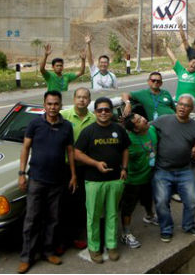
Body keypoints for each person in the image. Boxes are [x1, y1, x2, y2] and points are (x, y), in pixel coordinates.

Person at [17, 91, 77, 274]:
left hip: (58, 180)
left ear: (60, 105)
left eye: (56, 104)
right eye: (49, 104)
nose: (52, 107)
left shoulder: (66, 126)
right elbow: (25, 148)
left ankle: (48, 251)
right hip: (36, 179)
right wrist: (21, 173)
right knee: (31, 220)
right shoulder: (35, 124)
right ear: (44, 104)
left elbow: (70, 152)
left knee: (53, 219)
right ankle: (27, 257)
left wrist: (73, 175)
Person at [151, 95, 195, 242]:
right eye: (180, 104)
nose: (182, 107)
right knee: (161, 202)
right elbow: (146, 129)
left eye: (186, 105)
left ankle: (188, 225)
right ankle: (166, 229)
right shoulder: (164, 120)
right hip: (163, 170)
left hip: (184, 170)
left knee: (192, 200)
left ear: (192, 108)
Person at [74, 97, 130, 264]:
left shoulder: (119, 129)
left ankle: (112, 246)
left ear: (111, 111)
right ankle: (94, 248)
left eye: (107, 109)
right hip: (94, 181)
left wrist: (124, 168)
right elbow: (77, 153)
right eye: (100, 110)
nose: (104, 112)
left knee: (112, 214)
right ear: (95, 112)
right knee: (93, 217)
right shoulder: (88, 131)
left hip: (115, 180)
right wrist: (95, 164)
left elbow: (125, 149)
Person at [57, 88, 96, 253]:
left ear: (89, 100)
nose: (81, 100)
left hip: (83, 168)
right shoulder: (64, 115)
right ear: (74, 99)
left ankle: (77, 237)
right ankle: (60, 241)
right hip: (64, 167)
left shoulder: (93, 119)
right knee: (61, 204)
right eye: (79, 97)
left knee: (80, 204)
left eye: (85, 97)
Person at [119, 113, 159, 249]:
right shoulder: (128, 141)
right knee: (128, 207)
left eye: (142, 117)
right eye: (140, 120)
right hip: (133, 181)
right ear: (135, 129)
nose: (144, 119)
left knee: (148, 199)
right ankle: (126, 233)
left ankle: (150, 216)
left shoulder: (151, 130)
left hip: (149, 176)